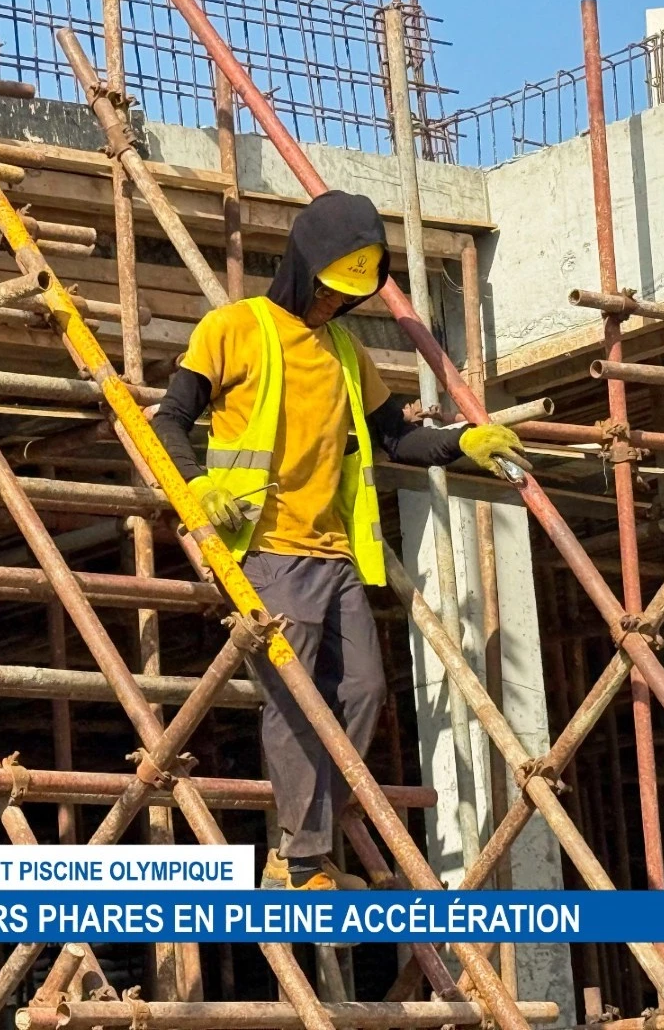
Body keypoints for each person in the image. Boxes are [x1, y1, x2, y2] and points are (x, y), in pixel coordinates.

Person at [152, 190, 527, 891]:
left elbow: (395, 440)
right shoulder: (234, 328)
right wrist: (195, 487)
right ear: (303, 268)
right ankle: (299, 862)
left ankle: (307, 847)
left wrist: (463, 442)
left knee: (362, 690)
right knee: (294, 698)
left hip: (336, 553)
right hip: (265, 548)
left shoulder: (347, 353)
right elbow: (168, 419)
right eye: (329, 290)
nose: (335, 304)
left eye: (348, 296)